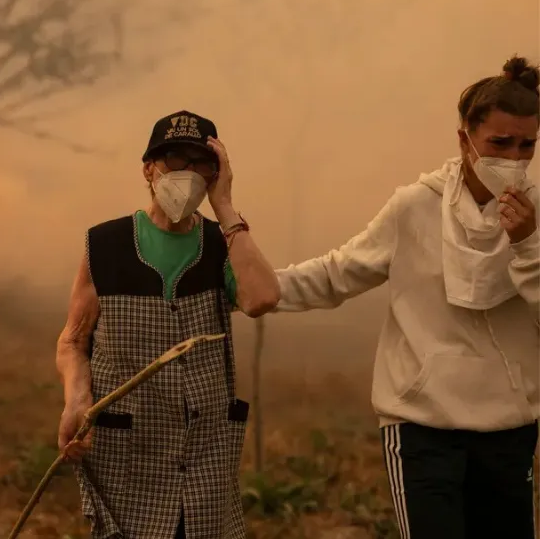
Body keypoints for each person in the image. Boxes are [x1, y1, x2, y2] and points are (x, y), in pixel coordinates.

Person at [273, 56, 540, 539]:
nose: (514, 160)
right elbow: (339, 272)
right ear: (465, 139)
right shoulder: (415, 207)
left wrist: (527, 244)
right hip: (423, 426)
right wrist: (259, 288)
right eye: (499, 143)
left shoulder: (536, 214)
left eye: (527, 146)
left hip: (509, 426)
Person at [55, 110, 280, 539]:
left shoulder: (222, 243)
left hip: (203, 464)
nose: (188, 173)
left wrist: (226, 205)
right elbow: (73, 340)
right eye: (176, 160)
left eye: (201, 164)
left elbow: (262, 297)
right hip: (128, 459)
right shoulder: (106, 245)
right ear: (149, 168)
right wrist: (76, 399)